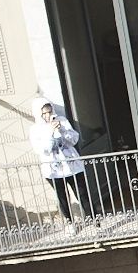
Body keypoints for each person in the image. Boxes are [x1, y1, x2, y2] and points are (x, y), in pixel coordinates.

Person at [29, 96, 95, 229]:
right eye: (44, 113)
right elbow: (42, 149)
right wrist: (51, 133)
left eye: (49, 111)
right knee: (63, 197)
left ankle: (94, 221)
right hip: (54, 169)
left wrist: (62, 130)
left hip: (72, 166)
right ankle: (70, 224)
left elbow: (73, 140)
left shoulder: (62, 121)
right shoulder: (35, 129)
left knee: (82, 194)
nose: (48, 115)